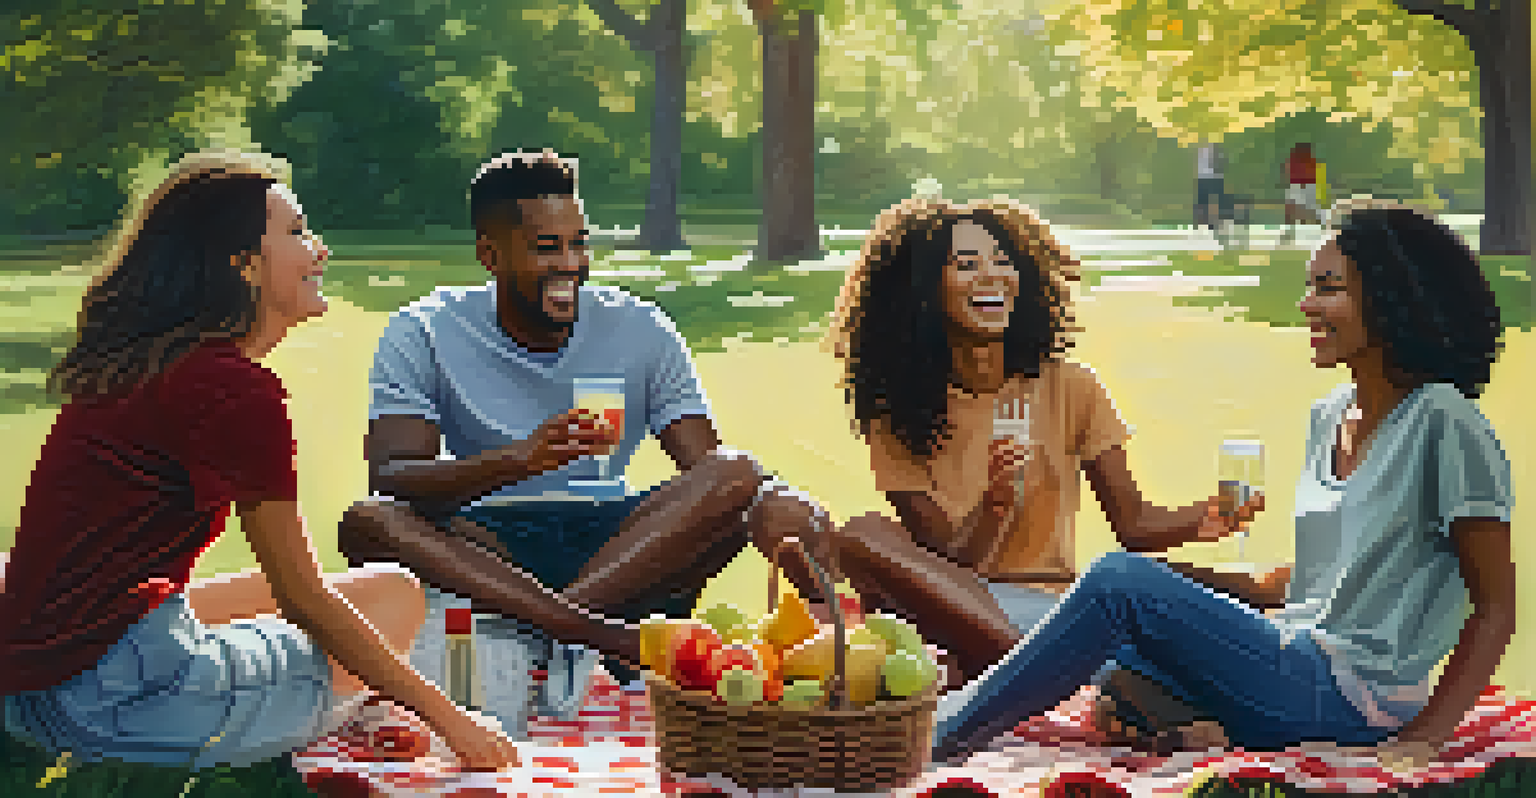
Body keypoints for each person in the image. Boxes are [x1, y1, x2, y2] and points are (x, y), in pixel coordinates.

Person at [930, 202, 1514, 771]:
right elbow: (1321, 581)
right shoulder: (1331, 414)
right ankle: (1202, 726)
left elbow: (1495, 607)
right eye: (1310, 286)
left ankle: (941, 733)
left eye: (1329, 288)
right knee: (1104, 646)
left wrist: (1426, 739)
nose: (1306, 304)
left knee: (1115, 581)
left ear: (1391, 300)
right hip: (1293, 660)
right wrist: (1194, 587)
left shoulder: (1443, 421)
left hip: (1351, 696)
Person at [0, 151, 517, 772]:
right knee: (383, 611)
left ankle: (365, 707)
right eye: (296, 233)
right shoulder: (230, 390)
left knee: (391, 591)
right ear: (244, 266)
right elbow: (302, 598)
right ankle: (364, 712)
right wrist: (453, 722)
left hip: (37, 684)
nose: (319, 250)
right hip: (118, 703)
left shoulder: (145, 364)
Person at [334, 149, 833, 712]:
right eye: (547, 247)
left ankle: (545, 635)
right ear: (489, 255)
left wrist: (779, 497)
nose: (570, 263)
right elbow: (395, 479)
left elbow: (713, 472)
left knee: (739, 472)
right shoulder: (424, 329)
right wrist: (519, 461)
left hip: (620, 542)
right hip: (489, 543)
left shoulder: (639, 326)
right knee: (367, 522)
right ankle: (603, 638)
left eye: (579, 243)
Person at [822, 196, 1258, 744]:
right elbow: (946, 565)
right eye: (966, 264)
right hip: (953, 606)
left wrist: (1208, 516)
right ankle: (1085, 684)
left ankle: (1055, 679)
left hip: (1050, 610)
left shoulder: (1070, 387)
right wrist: (993, 507)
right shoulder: (899, 413)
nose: (992, 275)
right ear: (924, 292)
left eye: (1003, 260)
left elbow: (1134, 523)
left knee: (939, 661)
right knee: (863, 535)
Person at [1284, 143, 1323, 235]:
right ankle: (1296, 228)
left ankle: (1293, 229)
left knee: (1296, 207)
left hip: (1303, 184)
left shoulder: (1299, 160)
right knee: (1304, 207)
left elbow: (1288, 171)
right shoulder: (1309, 161)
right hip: (1304, 184)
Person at [1194, 142, 1226, 231]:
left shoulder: (1217, 144)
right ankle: (1205, 222)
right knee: (1204, 202)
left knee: (1213, 201)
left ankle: (1213, 222)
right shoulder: (1198, 143)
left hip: (1214, 176)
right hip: (1203, 176)